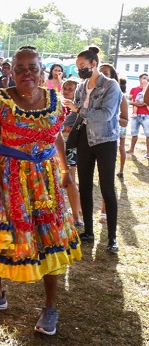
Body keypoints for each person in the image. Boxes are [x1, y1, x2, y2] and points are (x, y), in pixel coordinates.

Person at [0, 46, 82, 336]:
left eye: (32, 67)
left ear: (42, 70)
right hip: (9, 176)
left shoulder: (54, 101)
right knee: (3, 232)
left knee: (49, 235)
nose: (27, 73)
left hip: (45, 180)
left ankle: (50, 307)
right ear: (11, 69)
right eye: (20, 68)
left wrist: (64, 171)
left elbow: (57, 138)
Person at [62, 46, 122, 251]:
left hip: (106, 140)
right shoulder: (81, 87)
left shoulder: (111, 86)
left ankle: (112, 238)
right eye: (78, 67)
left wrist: (78, 108)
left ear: (93, 64)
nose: (80, 70)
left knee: (107, 188)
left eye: (83, 66)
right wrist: (57, 125)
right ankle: (88, 231)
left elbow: (105, 115)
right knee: (85, 185)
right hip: (84, 140)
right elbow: (75, 116)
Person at [96, 64, 128, 223]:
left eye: (106, 74)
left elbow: (125, 121)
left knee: (106, 178)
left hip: (110, 138)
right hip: (92, 138)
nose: (101, 77)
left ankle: (104, 210)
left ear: (113, 77)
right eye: (99, 73)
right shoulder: (90, 93)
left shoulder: (120, 96)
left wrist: (108, 116)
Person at [60, 79, 83, 227]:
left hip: (70, 147)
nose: (67, 91)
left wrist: (64, 129)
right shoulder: (57, 105)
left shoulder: (77, 108)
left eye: (70, 89)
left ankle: (76, 216)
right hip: (55, 147)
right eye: (65, 88)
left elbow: (67, 128)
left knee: (70, 180)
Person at [126, 73, 148, 157]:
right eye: (144, 78)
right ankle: (131, 150)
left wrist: (144, 104)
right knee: (134, 133)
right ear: (139, 79)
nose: (145, 80)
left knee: (148, 134)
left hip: (146, 115)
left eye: (147, 79)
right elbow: (129, 100)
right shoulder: (134, 89)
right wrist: (135, 103)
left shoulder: (148, 90)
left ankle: (148, 153)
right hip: (135, 115)